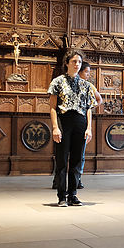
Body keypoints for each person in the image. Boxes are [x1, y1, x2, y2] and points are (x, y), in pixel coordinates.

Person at [48, 50, 97, 207]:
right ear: (67, 63)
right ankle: (62, 196)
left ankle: (73, 195)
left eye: (79, 62)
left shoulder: (86, 85)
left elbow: (89, 108)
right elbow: (53, 108)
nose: (77, 64)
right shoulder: (57, 82)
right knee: (62, 160)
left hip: (80, 122)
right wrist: (55, 128)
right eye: (74, 61)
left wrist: (89, 128)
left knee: (77, 160)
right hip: (64, 121)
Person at [76, 61, 103, 189]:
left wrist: (89, 106)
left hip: (82, 120)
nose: (88, 75)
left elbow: (99, 99)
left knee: (80, 153)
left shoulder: (89, 86)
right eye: (86, 72)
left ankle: (77, 178)